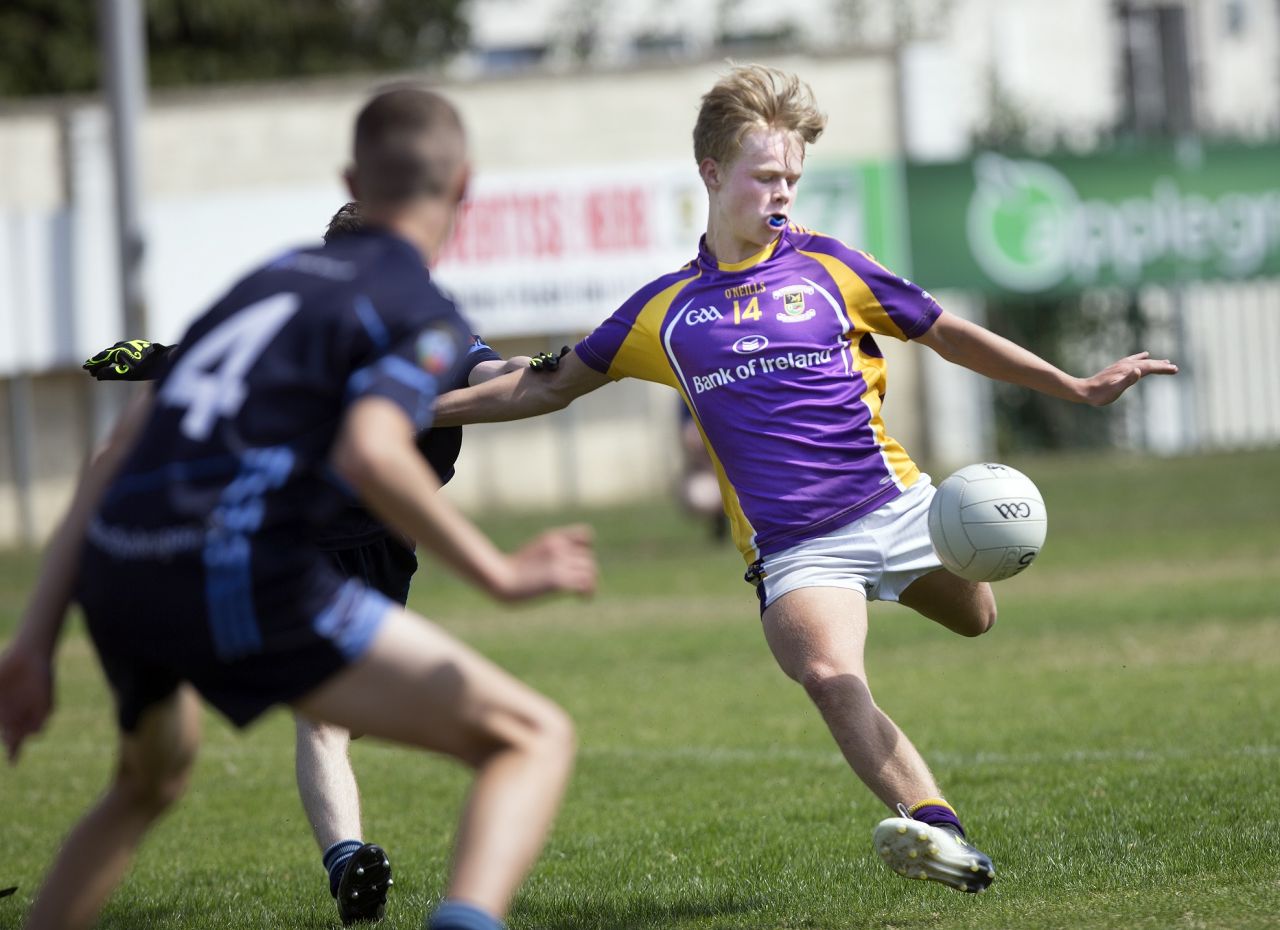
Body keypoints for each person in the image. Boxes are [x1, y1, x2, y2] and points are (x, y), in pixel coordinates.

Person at [430, 64, 1178, 894]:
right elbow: (545, 382)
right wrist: (414, 415)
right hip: (798, 550)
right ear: (711, 174)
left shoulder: (832, 267)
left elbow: (949, 334)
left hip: (901, 509)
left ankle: (943, 604)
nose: (782, 193)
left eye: (791, 177)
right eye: (764, 176)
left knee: (978, 618)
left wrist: (1073, 385)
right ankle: (942, 834)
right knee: (827, 674)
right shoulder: (664, 310)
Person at [0, 84, 595, 930]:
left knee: (147, 785)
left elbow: (111, 460)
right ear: (465, 187)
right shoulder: (413, 308)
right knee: (530, 738)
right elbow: (371, 446)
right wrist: (498, 571)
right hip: (250, 557)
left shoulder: (261, 287)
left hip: (125, 562)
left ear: (352, 175)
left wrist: (33, 638)